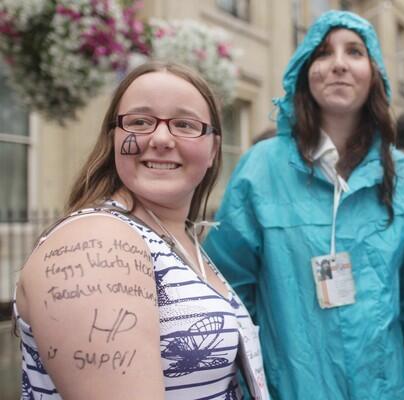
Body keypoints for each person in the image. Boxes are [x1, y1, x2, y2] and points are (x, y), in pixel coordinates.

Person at [204, 10, 404, 400]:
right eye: (323, 52)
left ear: (374, 73)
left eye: (354, 52)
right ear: (304, 70)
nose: (338, 64)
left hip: (388, 389)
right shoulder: (261, 167)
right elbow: (229, 292)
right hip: (290, 388)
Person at [14, 61, 268, 399]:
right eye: (139, 122)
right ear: (114, 139)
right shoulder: (98, 243)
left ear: (213, 150)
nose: (161, 138)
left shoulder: (181, 239)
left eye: (184, 124)